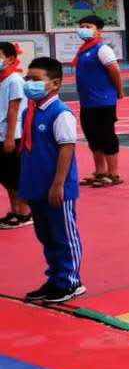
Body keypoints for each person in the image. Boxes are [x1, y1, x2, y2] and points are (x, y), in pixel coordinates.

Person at [19, 57, 84, 302]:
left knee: (63, 235)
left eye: (36, 80)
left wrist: (58, 184)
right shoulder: (29, 111)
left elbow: (66, 149)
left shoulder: (60, 113)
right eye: (28, 78)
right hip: (36, 186)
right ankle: (55, 276)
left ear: (55, 84)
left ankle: (71, 280)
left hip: (56, 188)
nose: (30, 84)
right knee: (45, 235)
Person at [74, 15, 125, 189]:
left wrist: (118, 90)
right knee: (92, 137)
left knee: (106, 136)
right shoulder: (83, 50)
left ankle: (114, 173)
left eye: (88, 26)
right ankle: (100, 172)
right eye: (82, 25)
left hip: (103, 101)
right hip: (87, 102)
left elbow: (115, 70)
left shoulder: (102, 49)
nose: (84, 29)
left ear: (98, 30)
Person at [0, 42, 30, 229]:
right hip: (1, 134)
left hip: (12, 135)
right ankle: (14, 210)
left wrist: (10, 138)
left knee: (16, 175)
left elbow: (14, 109)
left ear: (10, 58)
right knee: (6, 177)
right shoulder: (2, 80)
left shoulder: (14, 80)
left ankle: (24, 213)